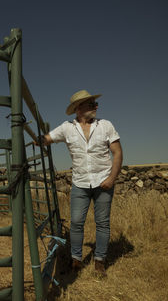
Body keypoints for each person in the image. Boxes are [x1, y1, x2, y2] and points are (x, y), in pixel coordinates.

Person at [39, 89, 123, 276]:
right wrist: (32, 134)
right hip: (80, 183)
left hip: (104, 182)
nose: (96, 106)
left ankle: (99, 261)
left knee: (102, 223)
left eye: (94, 103)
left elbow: (117, 153)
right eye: (91, 103)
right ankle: (76, 261)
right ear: (78, 108)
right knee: (76, 222)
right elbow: (45, 140)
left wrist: (111, 178)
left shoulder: (106, 125)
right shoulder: (67, 128)